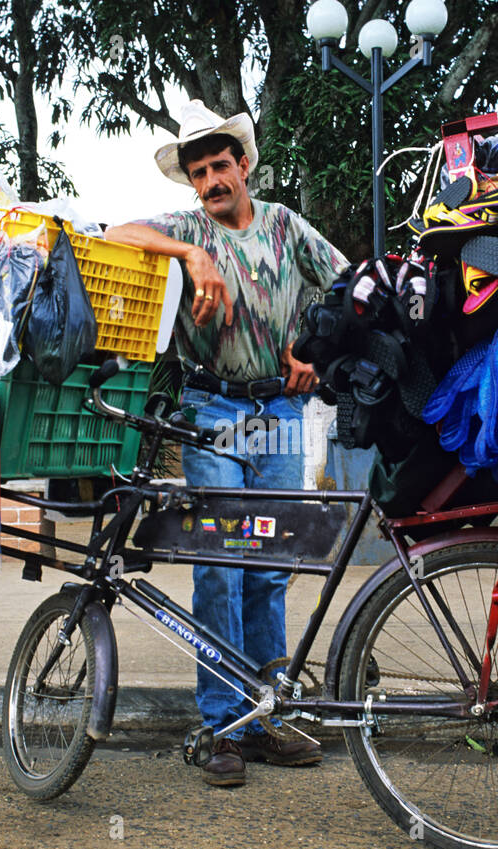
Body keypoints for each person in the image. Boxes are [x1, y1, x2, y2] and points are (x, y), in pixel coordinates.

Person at [105, 100, 348, 787]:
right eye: (200, 171)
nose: (212, 179)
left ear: (244, 165)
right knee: (220, 562)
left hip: (280, 411)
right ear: (190, 182)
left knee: (268, 563)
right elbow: (112, 235)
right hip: (210, 408)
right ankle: (220, 724)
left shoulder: (283, 225)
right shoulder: (183, 227)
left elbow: (347, 285)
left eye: (221, 165)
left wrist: (317, 351)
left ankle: (265, 716)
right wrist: (187, 255)